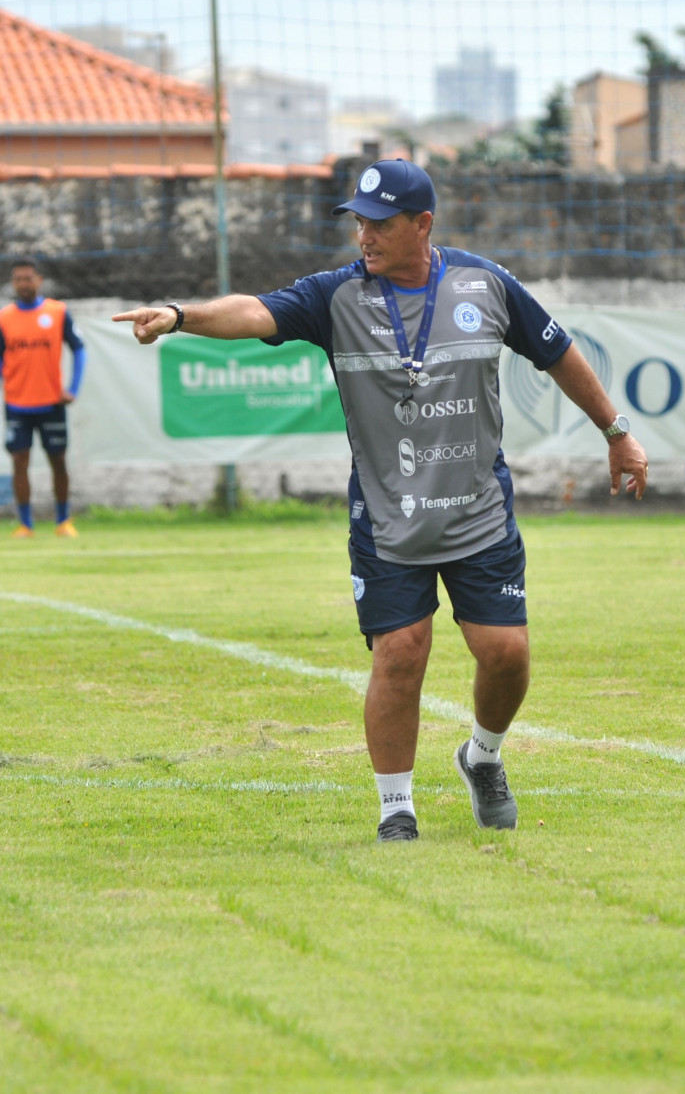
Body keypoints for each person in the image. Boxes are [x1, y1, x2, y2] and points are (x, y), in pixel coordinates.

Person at [114, 159, 647, 842]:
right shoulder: (335, 295)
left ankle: (481, 757)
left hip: (477, 508)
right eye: (357, 222)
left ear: (421, 224)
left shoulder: (484, 286)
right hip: (387, 513)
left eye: (379, 224)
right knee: (400, 649)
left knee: (506, 653)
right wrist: (180, 315)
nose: (363, 236)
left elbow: (558, 354)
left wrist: (616, 433)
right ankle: (396, 807)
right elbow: (254, 310)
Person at [0, 258, 85, 538]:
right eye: (18, 279)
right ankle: (25, 524)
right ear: (12, 282)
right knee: (19, 462)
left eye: (28, 278)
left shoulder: (57, 312)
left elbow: (79, 349)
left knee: (58, 461)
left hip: (52, 401)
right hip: (17, 403)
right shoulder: (4, 317)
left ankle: (63, 521)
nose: (23, 284)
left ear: (39, 280)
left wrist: (73, 388)